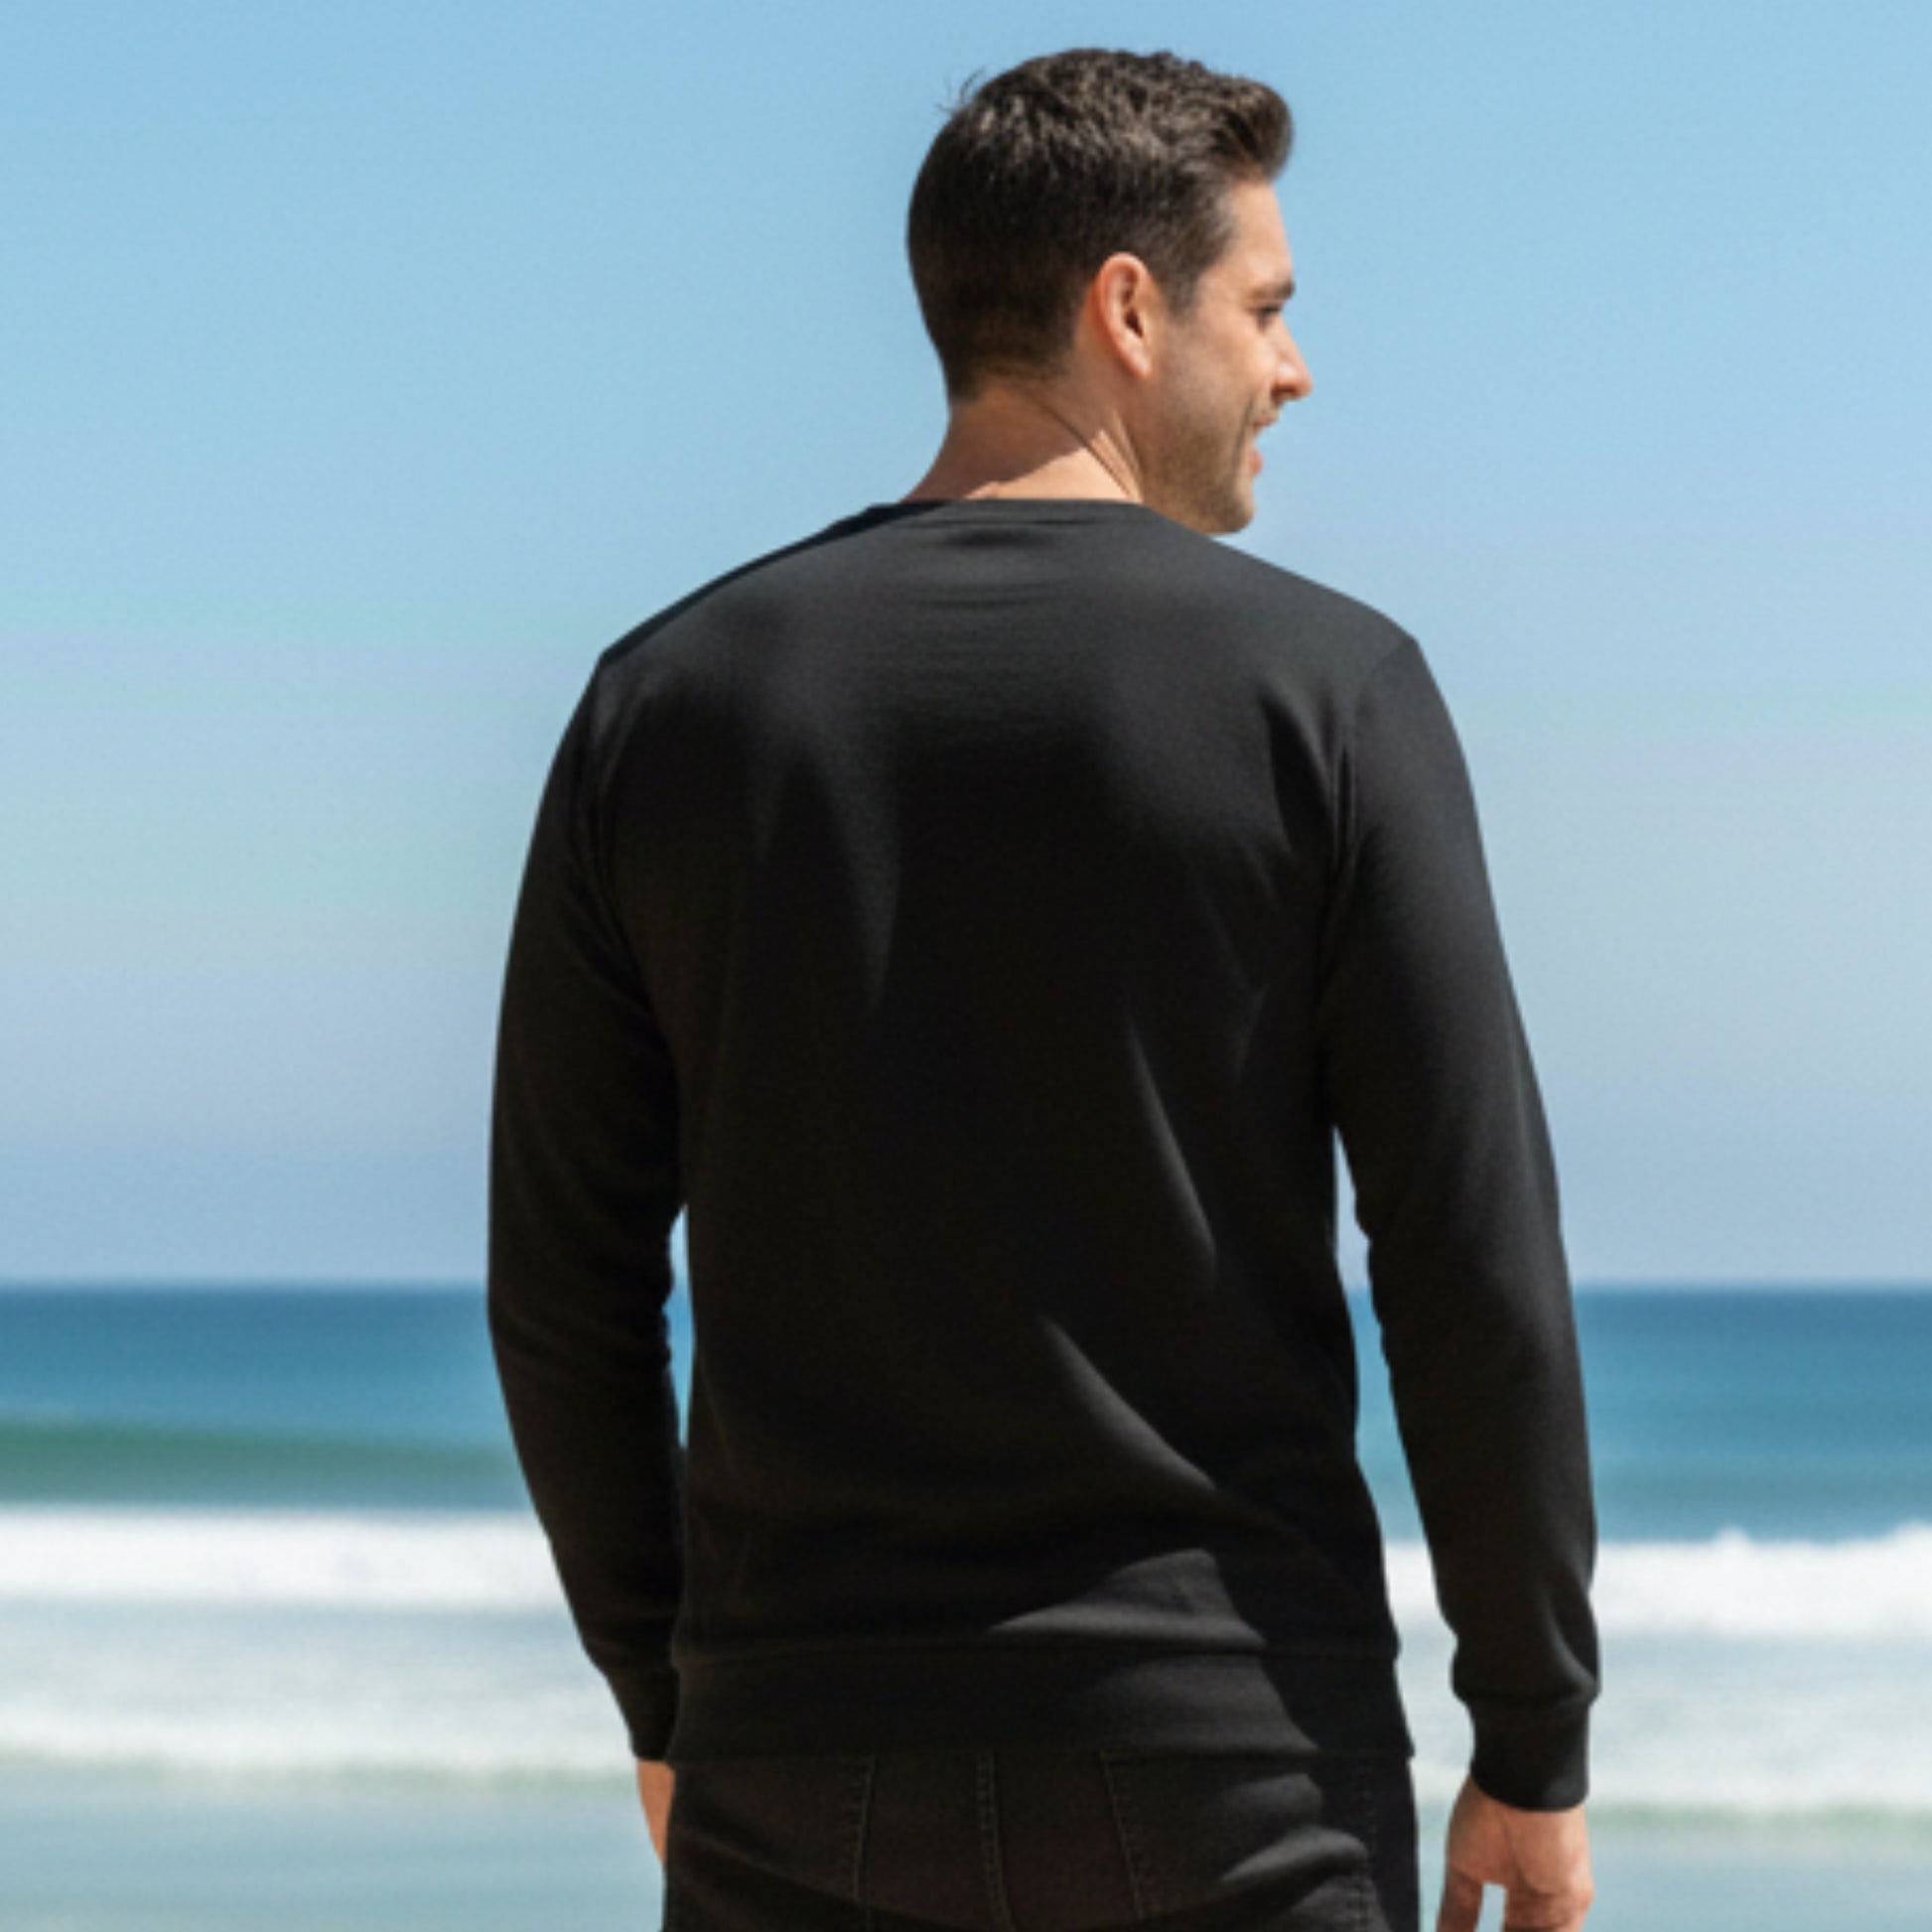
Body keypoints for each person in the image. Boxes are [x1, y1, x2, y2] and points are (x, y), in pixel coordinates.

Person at [487, 45, 1599, 1932]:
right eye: (1267, 310)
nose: (1293, 368)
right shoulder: (1330, 696)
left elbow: (562, 1281)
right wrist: (1532, 1734)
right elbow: (1465, 1257)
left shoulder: (661, 702)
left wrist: (663, 1691)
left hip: (799, 1765)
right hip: (1232, 1766)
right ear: (1126, 309)